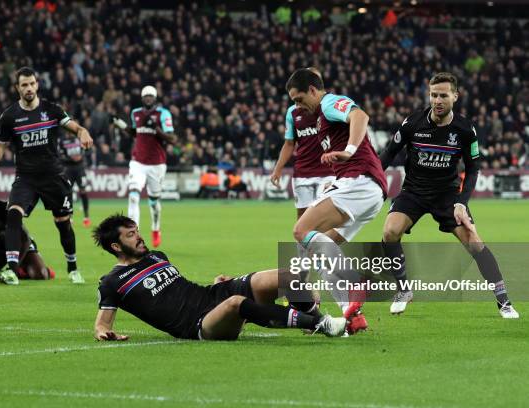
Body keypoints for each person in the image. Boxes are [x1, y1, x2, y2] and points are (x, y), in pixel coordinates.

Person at [379, 72, 518, 319]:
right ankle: (403, 290)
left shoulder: (465, 130)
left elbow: (473, 167)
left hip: (447, 195)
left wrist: (462, 204)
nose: (437, 100)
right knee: (389, 232)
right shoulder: (412, 123)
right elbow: (389, 154)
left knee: (474, 242)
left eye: (443, 95)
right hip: (414, 191)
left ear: (455, 96)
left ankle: (504, 301)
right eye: (433, 95)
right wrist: (372, 181)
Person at [92, 214, 348, 341]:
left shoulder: (157, 256)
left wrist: (217, 286)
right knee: (237, 303)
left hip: (212, 296)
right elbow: (102, 324)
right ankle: (320, 324)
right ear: (116, 246)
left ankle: (310, 318)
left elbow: (182, 291)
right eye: (130, 235)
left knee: (288, 276)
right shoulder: (113, 282)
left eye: (137, 231)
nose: (139, 236)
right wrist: (105, 332)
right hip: (199, 324)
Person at [285, 68, 389, 333]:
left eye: (298, 99)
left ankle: (355, 281)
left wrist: (349, 151)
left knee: (301, 230)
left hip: (360, 182)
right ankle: (352, 316)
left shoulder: (329, 102)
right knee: (322, 252)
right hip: (363, 189)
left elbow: (360, 115)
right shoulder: (319, 118)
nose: (297, 106)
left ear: (312, 90)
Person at [0, 67, 93, 284]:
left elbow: (76, 128)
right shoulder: (9, 116)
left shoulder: (52, 110)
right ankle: (12, 270)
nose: (29, 88)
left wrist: (83, 132)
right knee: (13, 214)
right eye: (24, 85)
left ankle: (72, 267)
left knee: (63, 223)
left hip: (53, 176)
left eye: (32, 83)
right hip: (26, 177)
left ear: (37, 85)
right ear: (17, 88)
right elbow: (1, 145)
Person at [112, 86, 177, 248]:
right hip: (138, 162)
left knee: (154, 203)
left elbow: (173, 139)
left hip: (157, 164)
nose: (148, 98)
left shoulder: (163, 114)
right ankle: (132, 235)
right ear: (142, 98)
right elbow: (137, 133)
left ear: (155, 98)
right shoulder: (136, 113)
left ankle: (156, 228)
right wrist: (119, 124)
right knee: (133, 195)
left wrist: (156, 129)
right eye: (145, 96)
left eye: (151, 96)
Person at [271, 67, 336, 219]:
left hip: (329, 172)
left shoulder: (329, 108)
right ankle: (307, 244)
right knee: (302, 220)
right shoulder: (292, 112)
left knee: (324, 218)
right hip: (303, 173)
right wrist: (278, 169)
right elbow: (289, 144)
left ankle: (328, 243)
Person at [60, 132, 91, 227]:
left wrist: (81, 155)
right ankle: (69, 217)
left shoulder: (79, 138)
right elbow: (60, 156)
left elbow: (88, 150)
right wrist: (71, 158)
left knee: (83, 191)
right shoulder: (62, 141)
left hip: (80, 169)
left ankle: (86, 217)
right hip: (68, 169)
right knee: (68, 192)